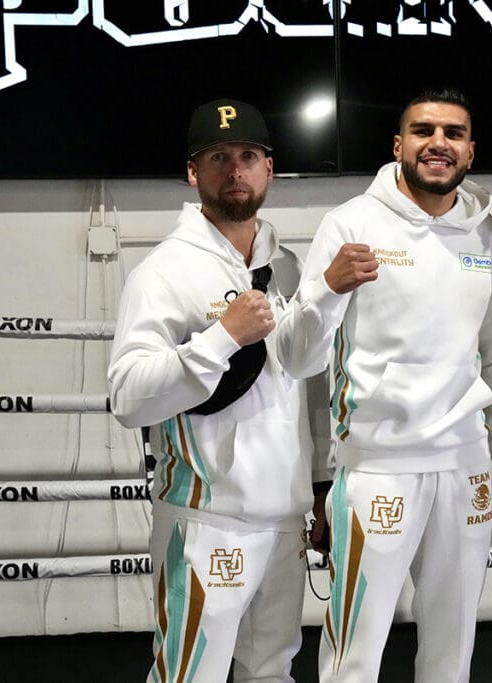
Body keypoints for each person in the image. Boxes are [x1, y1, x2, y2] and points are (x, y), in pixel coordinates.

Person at [274, 87, 492, 682]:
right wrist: (326, 290)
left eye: (453, 133)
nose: (438, 143)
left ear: (470, 150)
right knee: (355, 650)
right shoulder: (351, 222)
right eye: (423, 131)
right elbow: (296, 358)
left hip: (465, 468)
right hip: (378, 464)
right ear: (399, 145)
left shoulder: (490, 236)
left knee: (453, 643)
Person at [107, 98, 331, 683]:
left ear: (269, 168)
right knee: (188, 674)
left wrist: (322, 485)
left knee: (272, 672)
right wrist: (220, 340)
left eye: (249, 156)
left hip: (285, 520)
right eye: (218, 157)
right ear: (193, 171)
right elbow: (128, 397)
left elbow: (308, 388)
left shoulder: (287, 267)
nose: (235, 170)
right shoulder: (163, 272)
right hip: (206, 520)